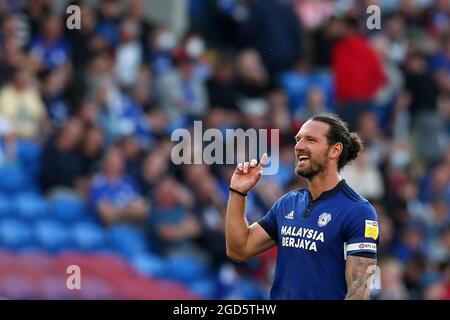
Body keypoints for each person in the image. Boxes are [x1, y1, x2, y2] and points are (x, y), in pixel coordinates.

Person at [225, 113, 380, 300]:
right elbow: (238, 249)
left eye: (311, 140)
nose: (298, 146)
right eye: (298, 140)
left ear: (334, 150)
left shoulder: (358, 212)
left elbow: (359, 293)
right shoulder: (287, 203)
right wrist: (238, 193)